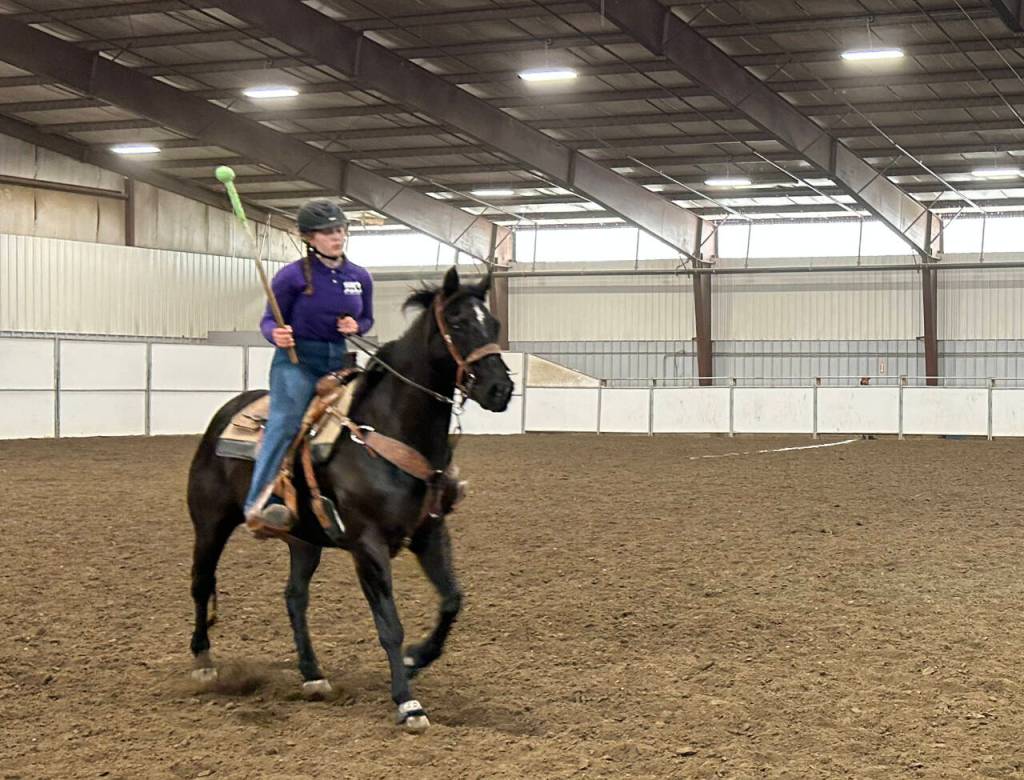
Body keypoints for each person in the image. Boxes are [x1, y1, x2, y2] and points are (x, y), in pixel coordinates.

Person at [244, 199, 374, 533]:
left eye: (340, 229)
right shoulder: (291, 276)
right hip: (297, 362)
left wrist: (356, 326)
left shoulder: (359, 276)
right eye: (328, 232)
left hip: (340, 361)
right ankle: (258, 503)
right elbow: (268, 320)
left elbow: (367, 317)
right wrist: (277, 334)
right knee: (286, 422)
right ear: (309, 238)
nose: (337, 236)